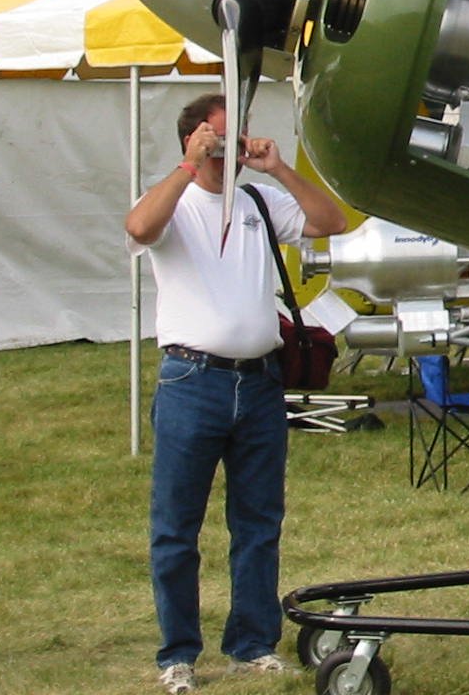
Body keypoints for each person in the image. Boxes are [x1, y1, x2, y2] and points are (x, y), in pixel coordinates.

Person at [126, 93, 347, 694]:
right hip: (191, 380)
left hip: (258, 382)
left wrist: (277, 167)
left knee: (258, 521)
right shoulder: (172, 199)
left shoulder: (258, 201)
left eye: (238, 137)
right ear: (194, 137)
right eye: (222, 138)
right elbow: (139, 228)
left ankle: (252, 644)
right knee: (176, 527)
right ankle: (178, 653)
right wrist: (188, 165)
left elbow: (332, 222)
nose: (232, 149)